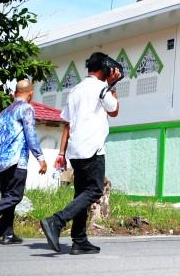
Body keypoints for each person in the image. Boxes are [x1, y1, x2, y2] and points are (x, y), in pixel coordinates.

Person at [40, 52, 121, 255]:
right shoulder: (102, 87)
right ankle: (56, 221)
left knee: (81, 194)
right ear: (105, 69)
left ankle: (79, 240)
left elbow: (67, 122)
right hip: (92, 149)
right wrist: (112, 87)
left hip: (75, 151)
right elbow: (114, 110)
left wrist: (62, 151)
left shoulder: (75, 89)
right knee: (94, 191)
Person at [0, 79, 48, 245]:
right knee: (15, 196)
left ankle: (7, 233)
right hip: (16, 160)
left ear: (15, 93)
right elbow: (31, 135)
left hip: (1, 162)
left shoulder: (5, 112)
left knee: (8, 197)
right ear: (31, 93)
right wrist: (40, 158)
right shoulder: (26, 108)